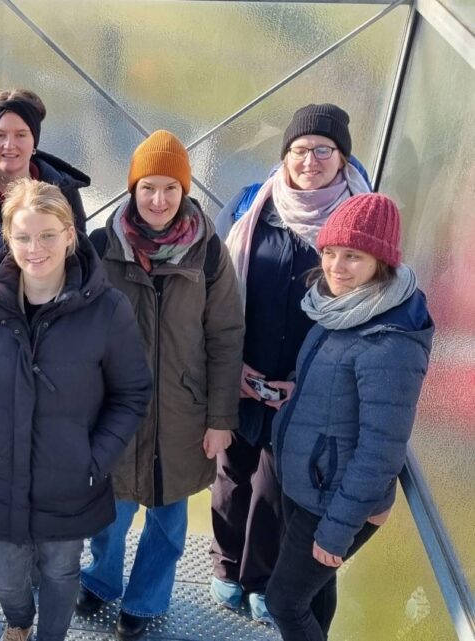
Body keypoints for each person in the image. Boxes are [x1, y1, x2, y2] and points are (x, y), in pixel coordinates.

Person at [0, 178, 152, 641]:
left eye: (48, 235)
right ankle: (19, 621)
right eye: (24, 236)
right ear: (7, 238)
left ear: (70, 236)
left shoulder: (106, 309)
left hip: (69, 478)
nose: (36, 248)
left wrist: (94, 458)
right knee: (6, 577)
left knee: (60, 570)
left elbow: (131, 393)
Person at [77, 131, 245, 639]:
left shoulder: (209, 253)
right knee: (109, 514)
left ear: (185, 192)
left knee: (169, 525)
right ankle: (101, 582)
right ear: (132, 188)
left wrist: (220, 419)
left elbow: (225, 336)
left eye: (171, 189)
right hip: (116, 412)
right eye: (148, 187)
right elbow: (79, 331)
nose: (159, 200)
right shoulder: (103, 246)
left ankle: (145, 603)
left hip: (184, 413)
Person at [210, 103, 371, 623]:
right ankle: (225, 563)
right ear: (285, 155)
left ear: (343, 158)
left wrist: (311, 382)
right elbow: (216, 285)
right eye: (300, 150)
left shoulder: (360, 217)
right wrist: (230, 365)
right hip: (243, 368)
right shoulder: (252, 205)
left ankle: (259, 577)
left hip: (308, 383)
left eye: (324, 150)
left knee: (274, 486)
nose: (310, 160)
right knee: (231, 473)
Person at [265, 193, 432, 640]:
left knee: (284, 600)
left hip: (336, 500)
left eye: (352, 256)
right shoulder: (339, 310)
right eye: (329, 252)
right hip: (310, 482)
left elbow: (381, 452)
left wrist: (337, 530)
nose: (336, 267)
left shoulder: (390, 339)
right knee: (314, 592)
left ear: (382, 261)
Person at [0, 89, 91, 233]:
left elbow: (80, 250)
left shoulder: (63, 189)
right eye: (0, 135)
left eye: (21, 135)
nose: (9, 145)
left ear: (34, 141)